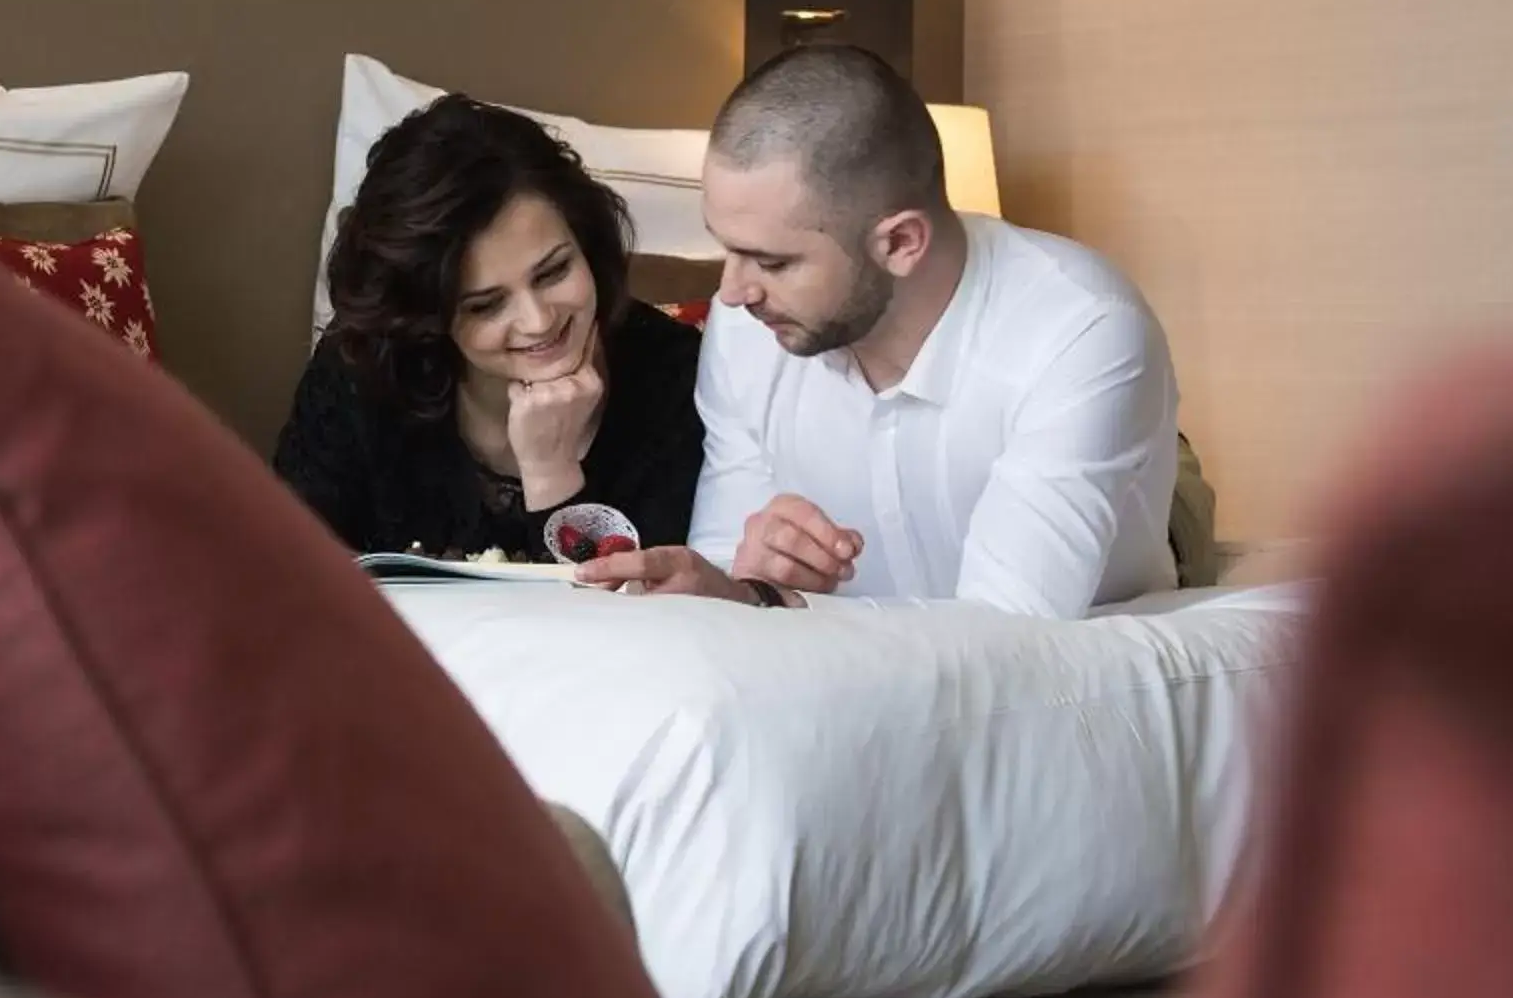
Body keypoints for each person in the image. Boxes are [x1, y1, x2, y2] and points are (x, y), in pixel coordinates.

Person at [581, 45, 1179, 616]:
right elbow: (727, 578)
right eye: (727, 250)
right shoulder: (743, 333)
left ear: (900, 242)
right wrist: (747, 588)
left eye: (773, 262)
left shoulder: (1079, 327)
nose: (733, 293)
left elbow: (1008, 636)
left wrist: (787, 607)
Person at [274, 95, 704, 561]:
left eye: (554, 271)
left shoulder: (676, 376)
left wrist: (551, 472)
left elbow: (644, 619)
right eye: (486, 305)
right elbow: (282, 576)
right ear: (427, 316)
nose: (538, 321)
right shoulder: (363, 372)